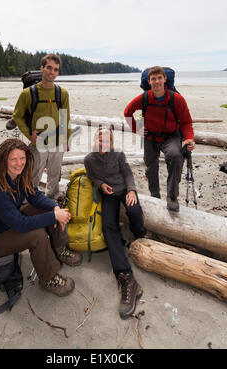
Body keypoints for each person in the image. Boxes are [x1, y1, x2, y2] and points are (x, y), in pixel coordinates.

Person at [0, 138, 82, 297]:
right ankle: (48, 278)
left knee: (47, 207)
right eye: (13, 159)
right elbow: (20, 225)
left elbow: (35, 197)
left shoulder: (19, 176)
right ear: (3, 161)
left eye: (22, 158)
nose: (19, 163)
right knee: (38, 235)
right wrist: (53, 216)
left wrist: (55, 208)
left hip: (9, 223)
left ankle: (59, 248)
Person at [84, 127, 146, 319]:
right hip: (109, 195)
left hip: (124, 190)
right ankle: (124, 274)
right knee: (107, 226)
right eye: (99, 140)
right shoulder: (89, 159)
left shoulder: (118, 154)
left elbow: (128, 173)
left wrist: (131, 191)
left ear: (110, 143)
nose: (102, 144)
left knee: (134, 210)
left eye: (106, 141)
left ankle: (140, 236)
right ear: (95, 141)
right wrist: (101, 185)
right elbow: (93, 177)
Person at [124, 66, 195, 212]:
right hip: (150, 137)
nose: (156, 81)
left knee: (176, 157)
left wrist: (188, 139)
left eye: (159, 78)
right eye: (153, 79)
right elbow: (127, 112)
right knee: (151, 168)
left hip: (171, 137)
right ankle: (155, 195)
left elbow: (186, 122)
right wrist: (136, 129)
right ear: (149, 82)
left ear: (165, 79)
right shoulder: (144, 98)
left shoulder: (177, 99)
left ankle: (172, 197)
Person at [13, 53, 72, 200]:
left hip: (58, 141)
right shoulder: (28, 94)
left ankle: (51, 202)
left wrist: (67, 139)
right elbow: (17, 116)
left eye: (56, 69)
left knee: (54, 175)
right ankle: (29, 202)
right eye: (49, 68)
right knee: (33, 175)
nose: (52, 72)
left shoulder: (62, 93)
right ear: (42, 68)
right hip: (38, 141)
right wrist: (29, 135)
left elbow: (66, 118)